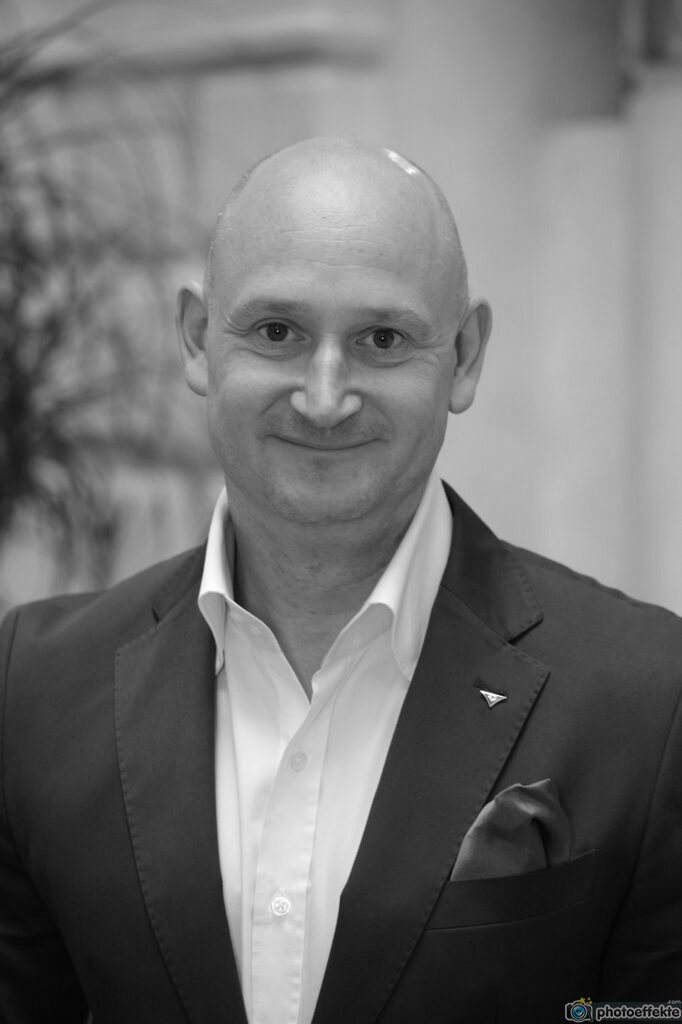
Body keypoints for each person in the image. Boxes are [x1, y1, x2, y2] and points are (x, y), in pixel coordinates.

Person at [1, 137, 680, 1024]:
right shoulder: (36, 686)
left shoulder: (647, 701)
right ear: (199, 340)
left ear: (465, 356)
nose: (324, 397)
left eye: (382, 339)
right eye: (277, 332)